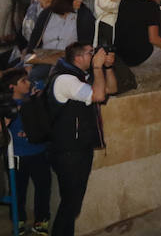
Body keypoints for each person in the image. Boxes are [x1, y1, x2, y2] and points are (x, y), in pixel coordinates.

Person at [47, 42, 117, 236]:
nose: (94, 55)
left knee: (72, 204)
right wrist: (97, 67)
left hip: (79, 148)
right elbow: (98, 94)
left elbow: (111, 88)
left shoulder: (80, 75)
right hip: (68, 151)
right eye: (90, 53)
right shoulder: (65, 80)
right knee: (70, 204)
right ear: (78, 58)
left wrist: (107, 67)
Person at [2, 68, 51, 236]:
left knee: (44, 189)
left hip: (39, 152)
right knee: (18, 192)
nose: (28, 83)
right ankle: (19, 221)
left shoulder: (33, 99)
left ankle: (42, 222)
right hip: (16, 157)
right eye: (23, 81)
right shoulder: (6, 106)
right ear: (12, 87)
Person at [26, 0, 94, 52]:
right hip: (45, 56)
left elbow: (86, 42)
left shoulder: (83, 15)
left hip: (69, 58)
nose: (80, 0)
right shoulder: (47, 14)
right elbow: (35, 38)